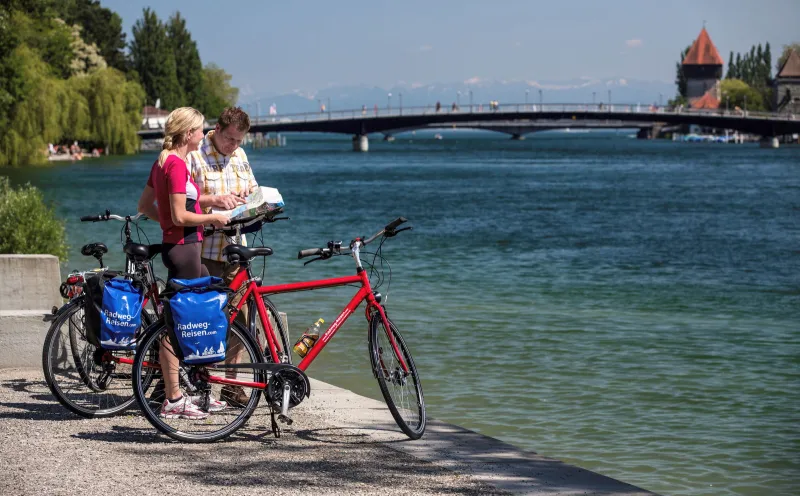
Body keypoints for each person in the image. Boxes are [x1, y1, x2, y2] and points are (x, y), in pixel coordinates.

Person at [137, 106, 231, 420]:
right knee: (175, 326)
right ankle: (174, 398)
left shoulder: (164, 160)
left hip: (178, 246)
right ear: (187, 133)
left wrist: (212, 201)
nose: (204, 135)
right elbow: (179, 215)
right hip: (185, 248)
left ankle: (202, 388)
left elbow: (146, 205)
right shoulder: (176, 164)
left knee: (203, 307)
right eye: (200, 130)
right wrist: (212, 218)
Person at [187, 106, 257, 407]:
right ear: (216, 129)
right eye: (229, 139)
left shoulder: (239, 156)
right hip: (204, 249)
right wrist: (213, 201)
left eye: (239, 141)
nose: (233, 146)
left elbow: (253, 189)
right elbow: (182, 200)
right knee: (202, 316)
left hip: (235, 249)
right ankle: (195, 380)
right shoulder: (194, 155)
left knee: (241, 317)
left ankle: (230, 384)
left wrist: (256, 201)